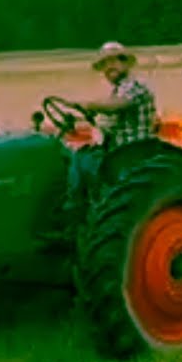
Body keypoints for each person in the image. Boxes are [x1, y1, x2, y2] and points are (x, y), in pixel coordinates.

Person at [57, 41, 159, 231]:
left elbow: (116, 105)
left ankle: (75, 214)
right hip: (118, 149)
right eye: (105, 63)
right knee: (74, 155)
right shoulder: (118, 90)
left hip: (132, 152)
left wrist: (88, 104)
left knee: (80, 161)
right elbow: (109, 118)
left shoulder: (134, 86)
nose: (110, 67)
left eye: (114, 61)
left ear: (125, 63)